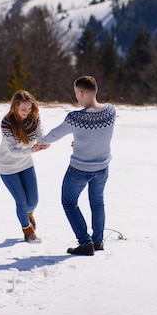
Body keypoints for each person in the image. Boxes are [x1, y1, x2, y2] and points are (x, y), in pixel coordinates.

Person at [36, 75, 116, 256]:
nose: (76, 97)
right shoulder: (111, 111)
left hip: (80, 170)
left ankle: (85, 242)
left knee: (69, 202)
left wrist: (38, 142)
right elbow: (100, 134)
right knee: (97, 203)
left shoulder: (76, 118)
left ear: (81, 93)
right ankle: (98, 241)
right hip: (102, 168)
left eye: (75, 93)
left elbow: (55, 135)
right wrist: (80, 141)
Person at [0, 90, 49, 243]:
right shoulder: (6, 123)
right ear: (15, 107)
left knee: (33, 202)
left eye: (30, 108)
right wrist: (33, 149)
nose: (27, 112)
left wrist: (47, 142)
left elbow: (41, 137)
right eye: (23, 109)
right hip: (8, 167)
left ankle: (28, 214)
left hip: (26, 164)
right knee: (21, 202)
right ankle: (28, 232)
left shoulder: (34, 119)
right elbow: (13, 151)